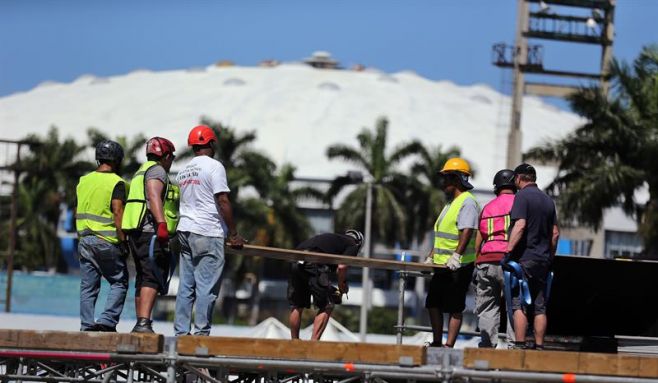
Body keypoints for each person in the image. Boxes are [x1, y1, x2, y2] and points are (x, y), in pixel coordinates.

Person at [174, 125, 246, 336]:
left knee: (186, 287)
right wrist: (233, 234)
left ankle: (180, 334)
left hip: (185, 231)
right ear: (211, 144)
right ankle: (200, 336)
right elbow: (222, 199)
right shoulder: (214, 166)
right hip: (207, 231)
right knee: (206, 287)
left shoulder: (184, 171)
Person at [122, 137, 178, 333]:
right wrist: (162, 224)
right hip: (150, 232)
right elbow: (153, 195)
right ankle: (144, 322)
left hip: (136, 232)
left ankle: (141, 322)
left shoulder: (141, 170)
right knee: (152, 277)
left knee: (142, 277)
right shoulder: (157, 171)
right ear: (166, 156)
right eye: (171, 158)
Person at [425, 157, 479, 348]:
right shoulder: (451, 203)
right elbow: (441, 235)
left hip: (459, 265)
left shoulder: (467, 202)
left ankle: (448, 346)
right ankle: (438, 342)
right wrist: (430, 256)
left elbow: (467, 230)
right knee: (433, 303)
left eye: (446, 178)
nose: (443, 183)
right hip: (441, 264)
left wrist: (456, 256)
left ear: (457, 179)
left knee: (455, 306)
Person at [75, 140, 129, 332]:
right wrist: (124, 241)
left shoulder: (84, 181)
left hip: (84, 240)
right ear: (117, 160)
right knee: (119, 281)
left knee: (88, 287)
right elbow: (117, 211)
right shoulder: (117, 182)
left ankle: (87, 326)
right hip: (106, 241)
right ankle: (106, 322)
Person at [505, 163, 560, 350]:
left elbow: (520, 225)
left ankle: (520, 346)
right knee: (540, 307)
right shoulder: (548, 200)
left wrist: (508, 250)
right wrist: (549, 256)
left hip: (524, 260)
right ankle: (539, 347)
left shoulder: (521, 197)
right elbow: (555, 234)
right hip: (543, 261)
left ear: (519, 178)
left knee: (518, 304)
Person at [288, 230, 364, 340]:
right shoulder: (353, 244)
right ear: (359, 242)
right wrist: (341, 285)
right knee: (328, 304)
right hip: (313, 262)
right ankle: (313, 346)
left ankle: (294, 343)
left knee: (297, 305)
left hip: (296, 260)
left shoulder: (335, 240)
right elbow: (342, 267)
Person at [473, 169, 516, 348]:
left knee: (487, 307)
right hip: (511, 262)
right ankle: (515, 348)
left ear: (496, 188)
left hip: (487, 260)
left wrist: (477, 260)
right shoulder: (520, 204)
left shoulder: (488, 207)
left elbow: (479, 238)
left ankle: (487, 349)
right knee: (515, 307)